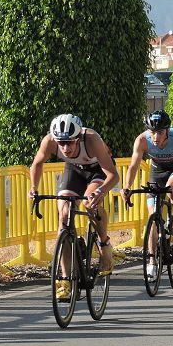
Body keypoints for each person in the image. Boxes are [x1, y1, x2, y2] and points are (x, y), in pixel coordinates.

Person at [29, 114, 119, 301]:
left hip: (99, 171)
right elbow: (37, 163)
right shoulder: (49, 141)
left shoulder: (92, 139)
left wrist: (101, 191)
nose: (65, 148)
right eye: (61, 143)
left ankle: (104, 244)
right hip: (74, 170)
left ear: (78, 138)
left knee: (89, 203)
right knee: (63, 217)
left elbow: (113, 175)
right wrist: (33, 189)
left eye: (70, 143)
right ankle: (65, 280)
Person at [122, 110, 173, 279]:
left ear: (167, 130)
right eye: (152, 132)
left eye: (159, 132)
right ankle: (152, 260)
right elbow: (133, 166)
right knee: (153, 216)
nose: (155, 136)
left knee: (172, 190)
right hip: (156, 173)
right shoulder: (141, 140)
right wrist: (127, 187)